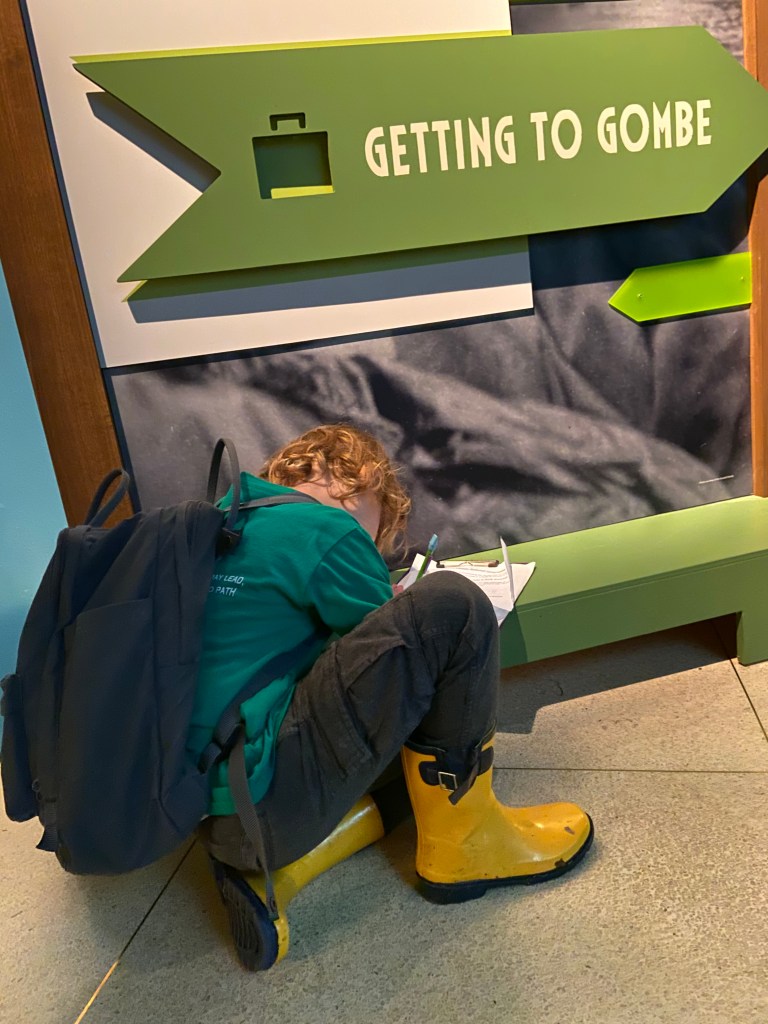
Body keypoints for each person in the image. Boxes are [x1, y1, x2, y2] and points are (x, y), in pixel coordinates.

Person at [190, 423, 593, 971]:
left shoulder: (226, 522)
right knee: (453, 606)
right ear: (363, 477)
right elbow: (404, 656)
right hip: (266, 806)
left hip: (211, 810)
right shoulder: (324, 528)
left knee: (415, 773)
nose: (370, 545)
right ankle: (467, 850)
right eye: (376, 528)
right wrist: (405, 603)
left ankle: (277, 876)